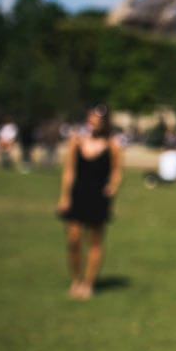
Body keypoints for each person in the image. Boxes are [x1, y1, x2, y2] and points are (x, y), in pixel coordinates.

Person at [57, 106, 123, 300]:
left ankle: (88, 283)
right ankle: (76, 280)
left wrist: (113, 185)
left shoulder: (112, 145)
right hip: (78, 195)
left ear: (105, 123)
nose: (93, 123)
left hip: (98, 197)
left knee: (95, 241)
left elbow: (117, 170)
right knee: (74, 240)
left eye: (98, 120)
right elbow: (69, 170)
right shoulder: (76, 142)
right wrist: (64, 195)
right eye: (91, 118)